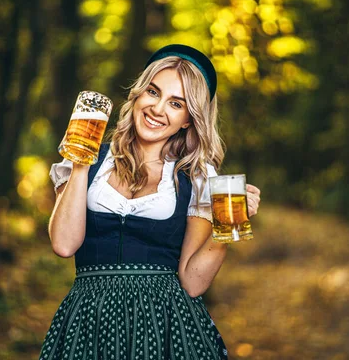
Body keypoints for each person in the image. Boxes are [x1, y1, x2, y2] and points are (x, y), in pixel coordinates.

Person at [39, 44, 261, 360]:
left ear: (188, 119)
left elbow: (193, 282)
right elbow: (63, 244)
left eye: (176, 103)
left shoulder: (196, 177)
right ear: (139, 94)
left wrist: (226, 228)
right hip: (90, 321)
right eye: (153, 93)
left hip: (167, 328)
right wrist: (79, 161)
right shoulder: (89, 159)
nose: (158, 109)